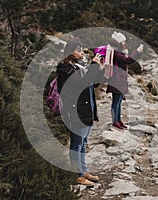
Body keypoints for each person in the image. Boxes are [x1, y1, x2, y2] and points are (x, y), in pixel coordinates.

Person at [56, 39, 103, 186]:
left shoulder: (79, 67)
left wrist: (99, 69)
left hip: (86, 110)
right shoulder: (65, 70)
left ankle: (83, 170)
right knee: (76, 144)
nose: (82, 52)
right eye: (78, 50)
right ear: (70, 53)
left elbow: (93, 83)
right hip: (75, 112)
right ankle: (77, 174)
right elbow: (83, 83)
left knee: (83, 143)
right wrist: (94, 65)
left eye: (82, 50)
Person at [95, 31, 144, 130]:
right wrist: (138, 51)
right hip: (117, 80)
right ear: (118, 43)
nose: (124, 43)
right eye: (123, 42)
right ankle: (115, 121)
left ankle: (118, 120)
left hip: (119, 80)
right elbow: (128, 60)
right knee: (116, 101)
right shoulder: (116, 53)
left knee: (119, 100)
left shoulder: (118, 52)